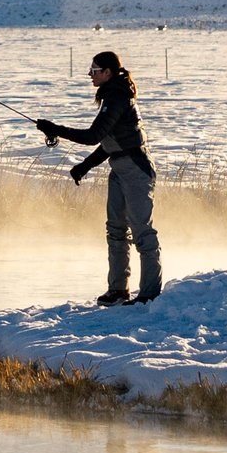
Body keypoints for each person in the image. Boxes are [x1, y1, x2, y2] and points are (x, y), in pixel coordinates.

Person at [37, 50, 162, 306]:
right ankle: (118, 289)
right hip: (119, 168)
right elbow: (108, 142)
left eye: (94, 70)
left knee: (142, 232)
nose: (89, 74)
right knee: (115, 230)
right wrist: (84, 166)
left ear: (107, 72)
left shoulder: (117, 97)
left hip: (136, 171)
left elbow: (94, 135)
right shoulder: (111, 96)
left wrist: (55, 128)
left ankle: (149, 292)